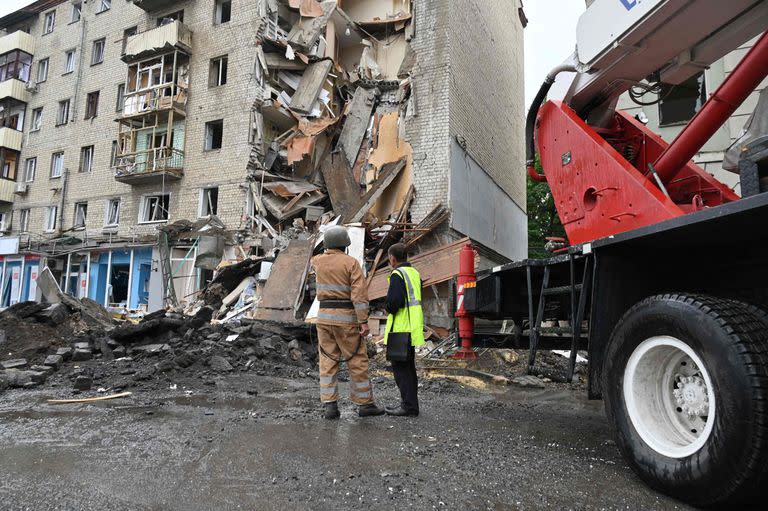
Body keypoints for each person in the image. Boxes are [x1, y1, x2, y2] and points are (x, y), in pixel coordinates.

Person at [311, 225, 385, 420]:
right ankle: (365, 404)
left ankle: (330, 405)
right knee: (357, 360)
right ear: (345, 244)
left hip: (324, 318)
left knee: (327, 361)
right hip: (346, 319)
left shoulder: (317, 262)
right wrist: (364, 321)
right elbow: (359, 295)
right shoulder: (351, 263)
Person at [383, 243, 424, 417]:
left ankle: (408, 407)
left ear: (392, 258)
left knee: (401, 370)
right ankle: (411, 405)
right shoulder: (414, 273)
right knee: (409, 369)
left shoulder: (397, 274)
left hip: (400, 329)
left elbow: (394, 303)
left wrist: (387, 306)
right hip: (412, 328)